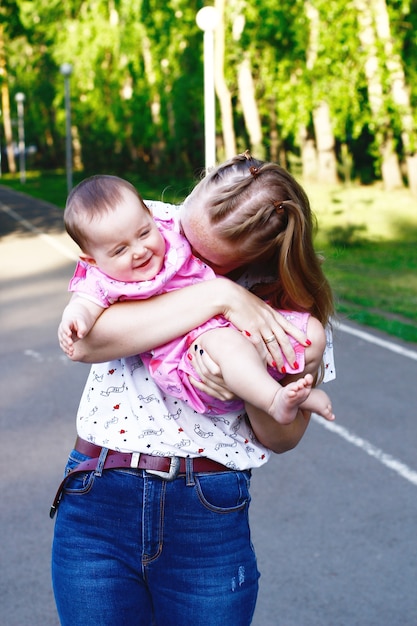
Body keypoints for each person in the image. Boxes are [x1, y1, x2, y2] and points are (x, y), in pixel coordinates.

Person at [51, 152, 335, 626]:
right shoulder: (142, 225)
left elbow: (284, 439)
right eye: (186, 225)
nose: (171, 247)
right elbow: (86, 343)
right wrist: (219, 295)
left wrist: (247, 383)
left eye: (210, 260)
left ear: (248, 261)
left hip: (207, 509)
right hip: (99, 494)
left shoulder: (284, 303)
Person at [58, 175, 334, 426]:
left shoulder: (147, 225)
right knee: (225, 344)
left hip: (234, 359)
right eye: (120, 249)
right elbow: (84, 314)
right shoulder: (108, 266)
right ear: (92, 261)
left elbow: (283, 442)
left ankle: (280, 394)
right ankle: (274, 398)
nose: (140, 250)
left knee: (312, 333)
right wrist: (75, 318)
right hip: (187, 353)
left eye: (144, 234)